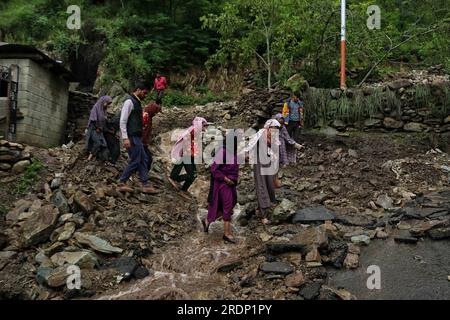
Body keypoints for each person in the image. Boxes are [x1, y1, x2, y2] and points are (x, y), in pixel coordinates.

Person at [118, 82, 158, 194]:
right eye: (144, 93)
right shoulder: (129, 102)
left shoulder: (137, 102)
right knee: (136, 159)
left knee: (144, 159)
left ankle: (145, 183)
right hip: (131, 136)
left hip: (136, 137)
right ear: (139, 90)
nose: (145, 95)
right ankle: (122, 181)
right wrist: (125, 138)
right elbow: (123, 120)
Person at [203, 133, 239, 244]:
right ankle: (227, 234)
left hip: (231, 183)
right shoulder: (222, 152)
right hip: (224, 184)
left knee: (232, 203)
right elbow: (214, 169)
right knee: (227, 206)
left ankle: (208, 220)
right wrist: (225, 179)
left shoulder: (232, 152)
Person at [244, 119, 281, 225]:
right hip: (259, 162)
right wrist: (246, 153)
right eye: (274, 128)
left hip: (269, 163)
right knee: (261, 185)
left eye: (277, 129)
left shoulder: (274, 137)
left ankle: (264, 205)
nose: (275, 131)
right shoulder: (261, 134)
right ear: (269, 127)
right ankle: (263, 214)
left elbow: (276, 151)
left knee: (270, 184)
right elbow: (251, 144)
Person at [168, 117, 209, 196]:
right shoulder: (193, 131)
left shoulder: (196, 131)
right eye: (204, 126)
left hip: (189, 155)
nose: (205, 128)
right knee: (192, 174)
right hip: (187, 155)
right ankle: (178, 182)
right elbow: (186, 141)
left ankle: (182, 188)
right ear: (200, 125)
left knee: (194, 174)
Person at [85, 96, 112, 161]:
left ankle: (99, 157)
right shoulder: (96, 107)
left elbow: (103, 120)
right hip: (93, 129)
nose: (107, 105)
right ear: (103, 101)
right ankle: (89, 157)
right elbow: (93, 119)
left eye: (108, 104)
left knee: (104, 144)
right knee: (98, 143)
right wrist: (97, 128)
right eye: (107, 103)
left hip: (100, 130)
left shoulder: (103, 110)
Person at [142, 102, 162, 171]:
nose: (156, 114)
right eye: (156, 112)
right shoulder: (145, 117)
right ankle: (142, 176)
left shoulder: (149, 117)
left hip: (143, 143)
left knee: (147, 159)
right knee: (147, 159)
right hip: (140, 142)